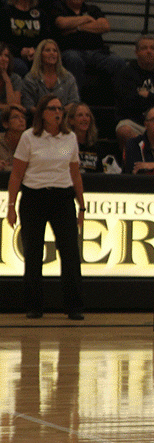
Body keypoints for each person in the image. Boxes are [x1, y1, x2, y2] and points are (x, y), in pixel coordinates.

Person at [6, 94, 85, 320]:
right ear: (42, 113)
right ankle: (34, 306)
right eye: (52, 108)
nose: (58, 112)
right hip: (34, 197)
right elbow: (16, 174)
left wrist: (82, 206)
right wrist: (11, 206)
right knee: (32, 253)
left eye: (60, 108)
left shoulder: (69, 139)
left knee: (70, 252)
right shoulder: (29, 137)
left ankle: (74, 306)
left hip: (62, 198)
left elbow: (75, 174)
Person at [53, 0, 126, 92]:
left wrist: (78, 27)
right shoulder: (59, 7)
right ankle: (75, 101)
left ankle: (117, 103)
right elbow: (62, 23)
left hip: (98, 52)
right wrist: (86, 19)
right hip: (72, 51)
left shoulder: (92, 9)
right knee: (73, 59)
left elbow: (105, 26)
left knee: (118, 61)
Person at [1, 0, 51, 76]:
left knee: (48, 63)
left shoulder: (40, 14)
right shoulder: (5, 12)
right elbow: (3, 40)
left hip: (36, 54)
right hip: (12, 55)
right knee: (20, 67)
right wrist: (20, 51)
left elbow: (46, 38)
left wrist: (36, 50)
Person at [21, 38, 79, 111]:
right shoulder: (30, 79)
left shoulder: (67, 77)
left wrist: (58, 112)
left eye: (55, 51)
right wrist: (46, 114)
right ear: (40, 55)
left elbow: (74, 102)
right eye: (48, 50)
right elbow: (28, 105)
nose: (52, 53)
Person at [0, 102, 25, 169]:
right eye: (15, 117)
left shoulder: (29, 141)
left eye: (23, 117)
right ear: (5, 124)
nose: (21, 120)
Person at [0, 41, 22, 109]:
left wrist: (6, 79)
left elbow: (15, 107)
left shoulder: (15, 78)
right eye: (0, 55)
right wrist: (6, 106)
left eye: (6, 56)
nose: (4, 59)